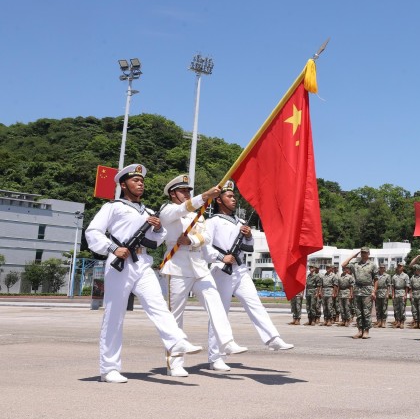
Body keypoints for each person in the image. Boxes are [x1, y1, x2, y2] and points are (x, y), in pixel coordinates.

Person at [85, 164, 203, 383]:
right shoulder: (113, 207)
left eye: (142, 181)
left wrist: (158, 229)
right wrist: (111, 248)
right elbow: (93, 231)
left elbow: (156, 241)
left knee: (157, 303)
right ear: (123, 185)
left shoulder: (149, 212)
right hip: (119, 261)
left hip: (142, 261)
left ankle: (176, 341)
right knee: (114, 315)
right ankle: (109, 368)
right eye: (135, 181)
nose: (140, 183)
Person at [159, 175, 247, 376]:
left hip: (198, 264)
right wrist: (204, 196)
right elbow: (182, 209)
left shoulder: (197, 215)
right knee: (175, 316)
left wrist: (190, 240)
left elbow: (206, 237)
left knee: (215, 302)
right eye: (183, 191)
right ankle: (175, 362)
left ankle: (226, 342)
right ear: (173, 194)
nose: (187, 194)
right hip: (177, 265)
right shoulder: (168, 210)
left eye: (189, 191)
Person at [205, 182, 296, 369]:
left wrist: (247, 235)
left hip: (240, 270)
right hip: (221, 270)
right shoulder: (211, 222)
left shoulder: (240, 222)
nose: (233, 199)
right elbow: (204, 246)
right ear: (218, 200)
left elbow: (249, 247)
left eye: (233, 196)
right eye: (229, 196)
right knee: (220, 313)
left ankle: (272, 338)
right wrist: (222, 257)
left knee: (255, 303)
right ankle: (216, 357)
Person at [342, 247, 377, 339]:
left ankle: (366, 331)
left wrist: (374, 291)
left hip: (367, 289)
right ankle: (360, 330)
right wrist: (353, 256)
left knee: (366, 312)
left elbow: (376, 279)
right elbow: (343, 264)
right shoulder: (355, 264)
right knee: (358, 312)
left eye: (365, 253)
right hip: (357, 289)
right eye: (362, 253)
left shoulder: (372, 265)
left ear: (368, 254)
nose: (363, 254)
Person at [391, 263, 410, 329]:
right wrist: (393, 295)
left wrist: (405, 295)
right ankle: (398, 322)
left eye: (400, 266)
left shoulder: (406, 276)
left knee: (402, 309)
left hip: (402, 292)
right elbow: (393, 286)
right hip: (396, 293)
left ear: (403, 267)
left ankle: (402, 322)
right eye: (398, 266)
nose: (399, 267)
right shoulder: (394, 276)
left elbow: (407, 286)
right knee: (396, 309)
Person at [374, 263, 392, 328]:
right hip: (377, 292)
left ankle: (383, 322)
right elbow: (373, 284)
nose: (382, 269)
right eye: (381, 267)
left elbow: (388, 285)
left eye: (383, 267)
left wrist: (388, 294)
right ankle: (379, 322)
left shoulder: (387, 276)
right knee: (378, 308)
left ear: (384, 268)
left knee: (384, 308)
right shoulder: (376, 275)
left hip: (384, 292)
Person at [409, 264, 420, 329]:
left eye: (417, 269)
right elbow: (411, 287)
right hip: (414, 293)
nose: (415, 271)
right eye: (415, 270)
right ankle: (415, 322)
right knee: (414, 309)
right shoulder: (412, 277)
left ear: (419, 270)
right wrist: (410, 294)